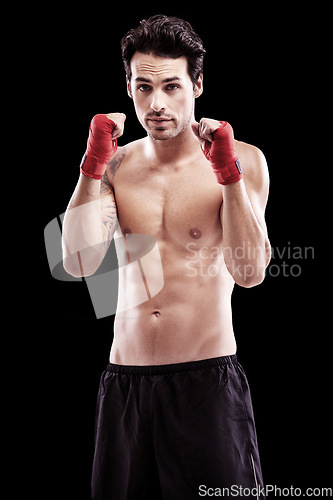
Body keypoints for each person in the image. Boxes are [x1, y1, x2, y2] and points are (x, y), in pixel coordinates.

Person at [62, 14, 271, 500]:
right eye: (142, 87)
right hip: (126, 388)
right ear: (129, 87)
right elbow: (78, 263)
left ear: (198, 85)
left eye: (172, 86)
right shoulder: (115, 163)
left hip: (207, 385)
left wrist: (229, 176)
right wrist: (92, 165)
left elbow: (250, 271)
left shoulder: (246, 157)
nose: (155, 104)